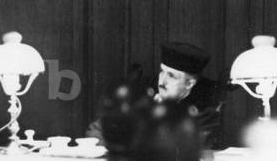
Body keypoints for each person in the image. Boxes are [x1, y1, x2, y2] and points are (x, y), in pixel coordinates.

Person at [87, 41, 222, 147]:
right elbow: (95, 132)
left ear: (189, 84)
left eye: (171, 76)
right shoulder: (142, 96)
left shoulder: (206, 108)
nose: (162, 81)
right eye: (161, 72)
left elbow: (185, 150)